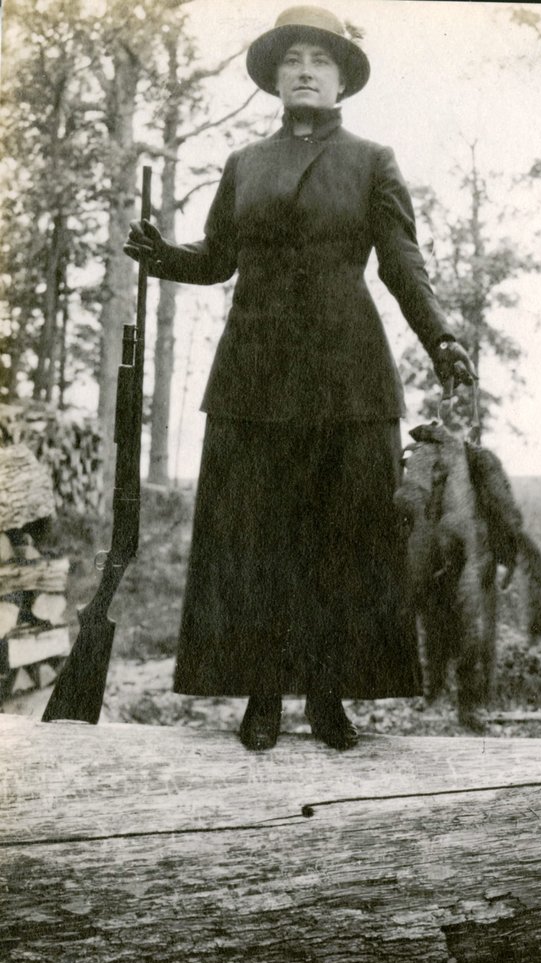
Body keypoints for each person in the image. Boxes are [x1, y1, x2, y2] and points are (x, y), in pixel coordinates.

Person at [124, 5, 475, 752]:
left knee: (341, 542)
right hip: (253, 377)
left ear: (343, 78)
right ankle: (261, 694)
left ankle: (328, 695)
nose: (307, 69)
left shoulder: (372, 160)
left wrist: (441, 335)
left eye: (322, 58)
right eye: (293, 60)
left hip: (347, 378)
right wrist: (163, 255)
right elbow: (219, 257)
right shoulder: (244, 164)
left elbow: (402, 264)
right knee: (256, 540)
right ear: (276, 79)